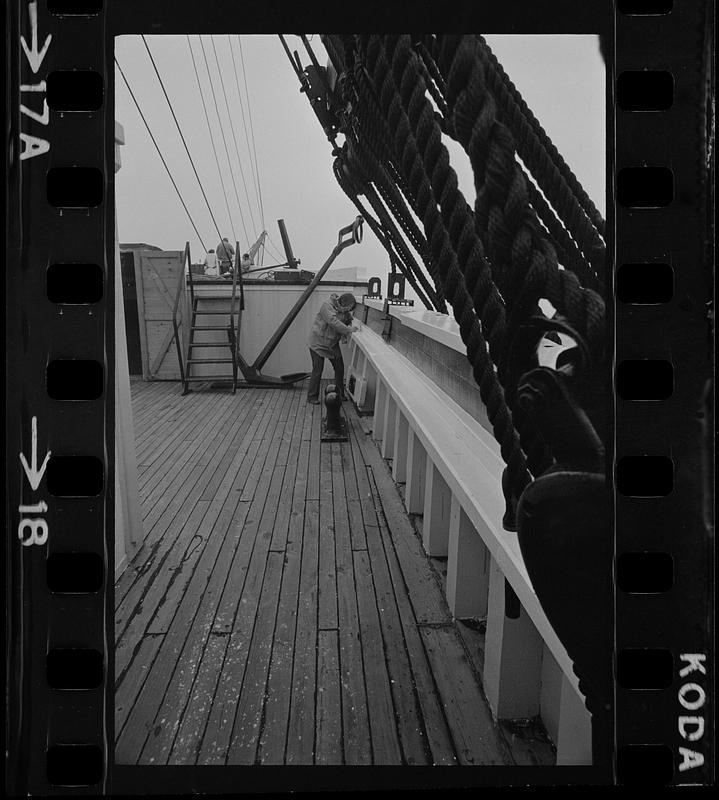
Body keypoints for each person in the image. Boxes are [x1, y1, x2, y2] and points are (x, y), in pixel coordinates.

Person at [306, 292, 359, 404]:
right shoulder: (327, 306)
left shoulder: (345, 311)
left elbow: (348, 321)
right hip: (318, 343)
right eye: (348, 309)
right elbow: (333, 322)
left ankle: (340, 394)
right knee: (317, 370)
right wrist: (348, 330)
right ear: (342, 305)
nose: (348, 311)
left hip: (331, 344)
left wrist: (347, 332)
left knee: (339, 367)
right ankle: (311, 397)